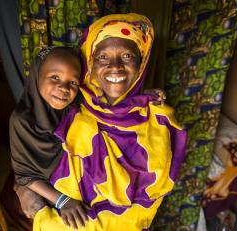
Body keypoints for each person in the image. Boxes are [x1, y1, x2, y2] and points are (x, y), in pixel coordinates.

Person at [32, 13, 187, 230]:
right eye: (103, 57)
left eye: (127, 56)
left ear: (141, 64)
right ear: (90, 63)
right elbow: (27, 168)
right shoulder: (66, 105)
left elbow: (148, 202)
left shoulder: (158, 121)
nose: (115, 67)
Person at [9, 46, 90, 227]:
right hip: (49, 195)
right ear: (38, 75)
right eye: (55, 77)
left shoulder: (78, 109)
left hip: (76, 187)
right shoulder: (23, 120)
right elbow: (24, 176)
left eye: (73, 82)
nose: (64, 88)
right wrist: (63, 201)